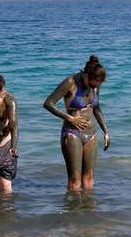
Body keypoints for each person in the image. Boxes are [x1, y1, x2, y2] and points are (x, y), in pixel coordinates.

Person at [43, 55, 110, 192]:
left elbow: (96, 108)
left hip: (91, 133)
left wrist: (106, 132)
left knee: (89, 178)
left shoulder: (96, 85)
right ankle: (73, 211)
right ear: (86, 75)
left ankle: (89, 211)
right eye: (92, 84)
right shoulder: (70, 82)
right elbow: (48, 103)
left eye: (97, 85)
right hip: (72, 133)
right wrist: (70, 118)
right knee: (75, 180)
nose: (94, 87)